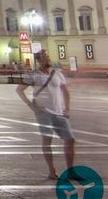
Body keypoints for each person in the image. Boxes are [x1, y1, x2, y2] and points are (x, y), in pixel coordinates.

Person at [17, 50, 75, 180]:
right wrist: (30, 105)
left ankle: (71, 171)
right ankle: (51, 171)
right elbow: (19, 89)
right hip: (43, 112)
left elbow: (65, 91)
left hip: (59, 112)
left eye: (48, 56)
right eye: (44, 57)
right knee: (47, 140)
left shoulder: (57, 73)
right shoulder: (34, 75)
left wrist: (67, 109)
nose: (48, 59)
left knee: (70, 139)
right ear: (39, 60)